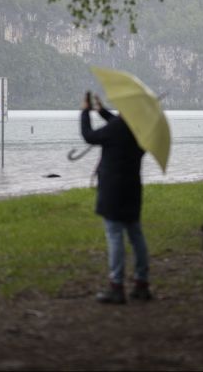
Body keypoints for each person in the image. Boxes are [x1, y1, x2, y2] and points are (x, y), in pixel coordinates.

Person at [81, 90, 152, 304]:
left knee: (114, 236)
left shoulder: (116, 128)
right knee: (136, 235)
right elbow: (119, 124)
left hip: (113, 192)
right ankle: (141, 283)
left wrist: (85, 111)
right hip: (132, 190)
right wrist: (102, 111)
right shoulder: (141, 130)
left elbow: (89, 136)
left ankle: (117, 286)